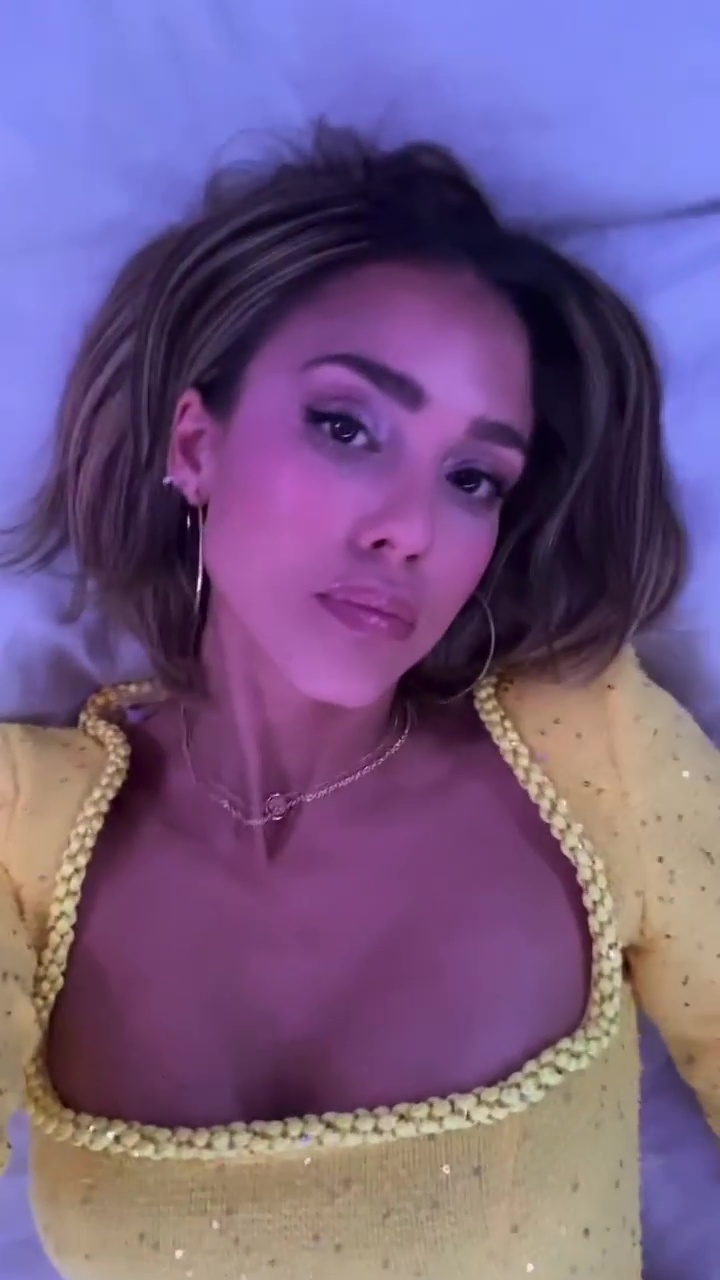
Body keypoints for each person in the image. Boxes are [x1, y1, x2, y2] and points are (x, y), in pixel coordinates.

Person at [0, 126, 717, 1280]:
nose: (410, 527)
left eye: (473, 476)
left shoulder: (589, 745)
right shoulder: (20, 824)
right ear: (196, 445)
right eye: (346, 425)